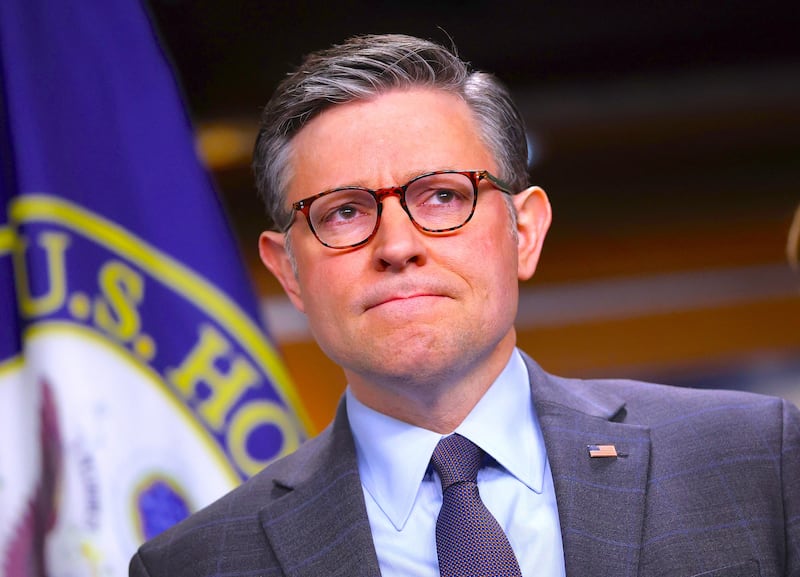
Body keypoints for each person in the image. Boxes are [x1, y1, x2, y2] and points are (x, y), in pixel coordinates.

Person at [130, 34, 800, 577]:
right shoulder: (196, 563)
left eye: (444, 196)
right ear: (288, 271)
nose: (397, 245)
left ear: (525, 233)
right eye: (342, 212)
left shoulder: (757, 457)